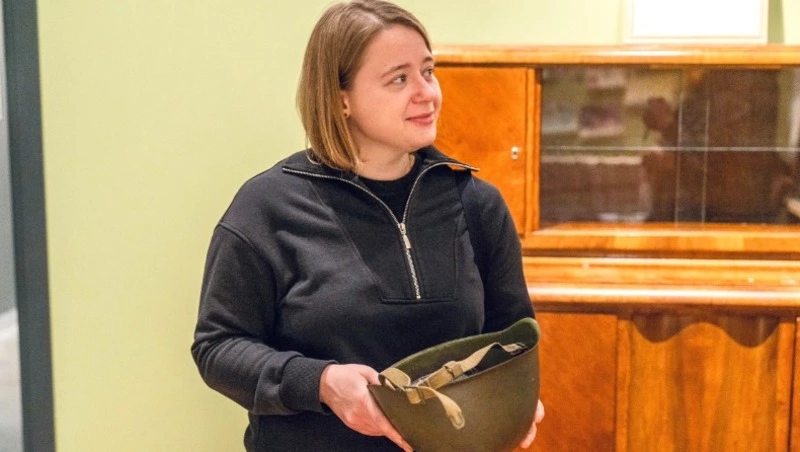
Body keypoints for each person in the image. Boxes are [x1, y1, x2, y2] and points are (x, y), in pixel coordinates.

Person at [191, 1, 544, 450]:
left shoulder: (477, 204)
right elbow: (218, 347)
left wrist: (514, 404)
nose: (426, 93)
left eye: (428, 72)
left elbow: (513, 340)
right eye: (399, 79)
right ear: (341, 99)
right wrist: (320, 382)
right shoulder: (267, 207)